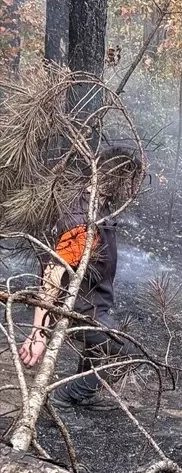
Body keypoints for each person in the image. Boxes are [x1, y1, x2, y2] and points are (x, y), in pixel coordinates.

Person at [18, 145, 144, 411]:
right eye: (132, 182)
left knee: (101, 343)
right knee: (127, 351)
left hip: (94, 302)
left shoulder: (98, 204)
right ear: (116, 179)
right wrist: (38, 333)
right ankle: (66, 394)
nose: (134, 191)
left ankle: (83, 394)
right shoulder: (82, 222)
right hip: (81, 308)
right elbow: (54, 273)